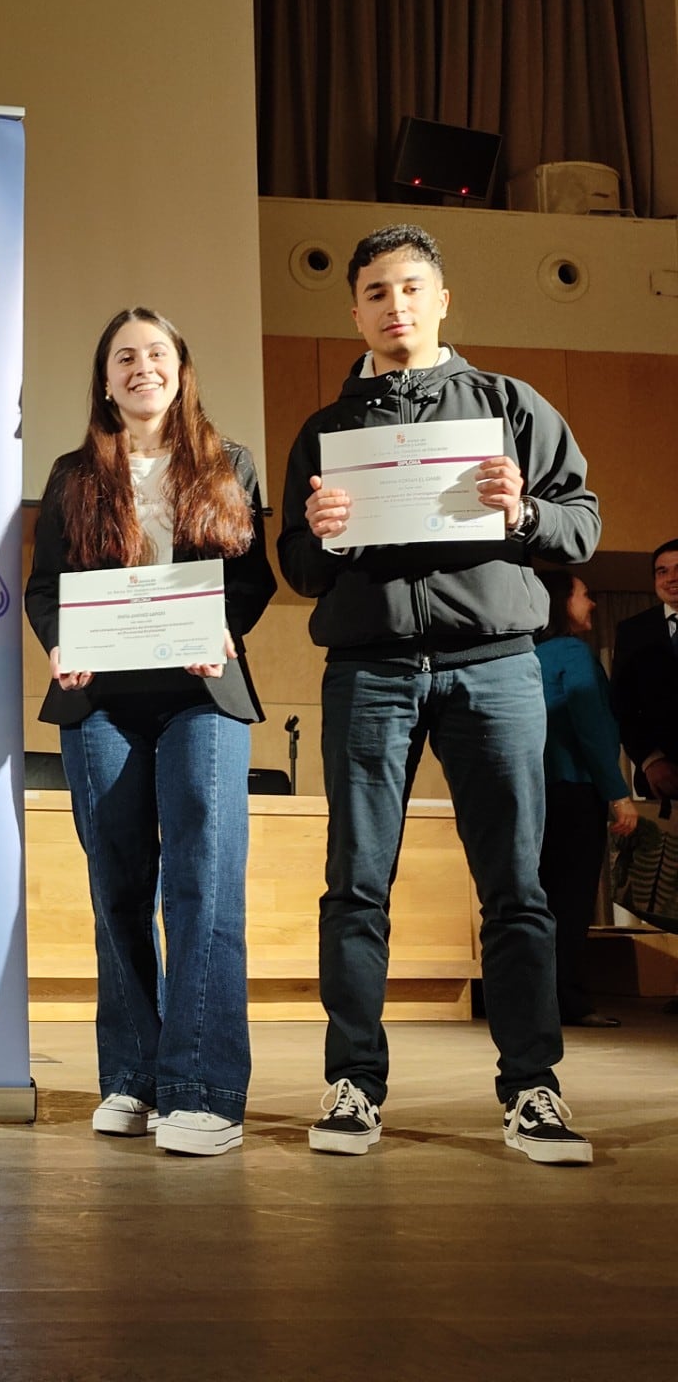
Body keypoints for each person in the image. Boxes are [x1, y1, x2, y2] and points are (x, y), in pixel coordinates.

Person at [279, 223, 602, 1166]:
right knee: (356, 882)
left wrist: (525, 510)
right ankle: (353, 1085)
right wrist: (324, 535)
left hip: (497, 665)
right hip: (370, 670)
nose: (396, 307)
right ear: (356, 311)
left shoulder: (509, 405)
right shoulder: (328, 431)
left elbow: (582, 524)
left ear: (443, 299)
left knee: (516, 883)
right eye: (376, 293)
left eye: (412, 289)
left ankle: (533, 1088)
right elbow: (298, 567)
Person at [24, 307, 276, 1158]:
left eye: (156, 354)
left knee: (204, 880)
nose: (142, 367)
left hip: (202, 695)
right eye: (124, 356)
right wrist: (60, 645)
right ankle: (132, 1076)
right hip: (100, 701)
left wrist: (222, 633)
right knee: (117, 887)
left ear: (182, 369)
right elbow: (45, 588)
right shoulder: (70, 474)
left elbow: (251, 581)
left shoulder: (228, 462)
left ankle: (202, 1087)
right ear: (104, 379)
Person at [534, 571, 636, 1028]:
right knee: (571, 902)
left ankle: (533, 1002)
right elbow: (592, 730)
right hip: (574, 792)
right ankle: (568, 1000)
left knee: (534, 901)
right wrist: (618, 794)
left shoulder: (522, 655)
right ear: (561, 602)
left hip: (531, 795)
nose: (591, 604)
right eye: (583, 595)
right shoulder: (572, 653)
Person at [608, 539, 678, 804]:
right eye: (662, 571)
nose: (672, 578)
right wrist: (651, 760)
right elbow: (622, 703)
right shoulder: (633, 630)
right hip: (662, 780)